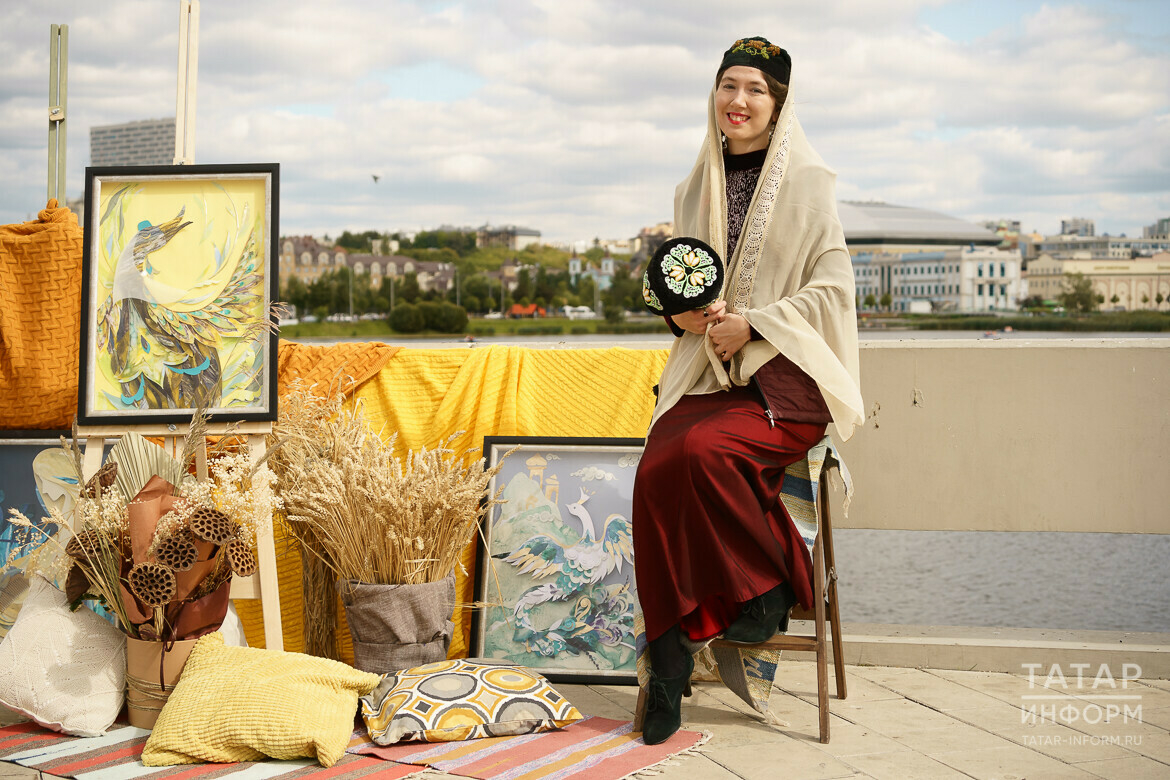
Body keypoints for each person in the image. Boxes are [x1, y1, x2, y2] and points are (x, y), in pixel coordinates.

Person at [632, 36, 864, 745]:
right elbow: (683, 288)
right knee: (656, 467)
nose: (738, 101)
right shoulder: (692, 188)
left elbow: (834, 290)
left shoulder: (810, 183)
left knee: (702, 451)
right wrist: (683, 317)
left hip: (787, 380)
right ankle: (672, 651)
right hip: (711, 372)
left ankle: (767, 590)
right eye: (728, 85)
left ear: (779, 104)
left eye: (756, 89)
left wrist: (756, 324)